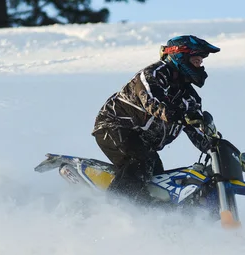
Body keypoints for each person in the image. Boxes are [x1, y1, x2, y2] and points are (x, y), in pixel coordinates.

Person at [91, 35, 221, 205]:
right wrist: (181, 116)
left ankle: (149, 216)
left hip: (143, 143)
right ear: (180, 56)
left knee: (159, 181)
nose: (200, 66)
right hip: (114, 127)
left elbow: (198, 130)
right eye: (196, 61)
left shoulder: (190, 97)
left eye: (200, 62)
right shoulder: (153, 74)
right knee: (142, 162)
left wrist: (218, 148)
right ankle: (116, 207)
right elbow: (152, 102)